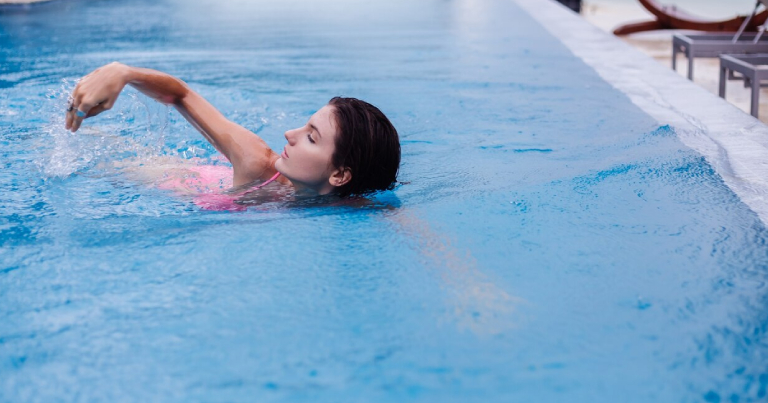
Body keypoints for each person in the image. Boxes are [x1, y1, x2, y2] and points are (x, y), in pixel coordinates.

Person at [65, 62, 401, 208]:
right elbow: (181, 95)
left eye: (311, 138)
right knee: (94, 158)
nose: (289, 134)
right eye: (305, 125)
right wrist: (122, 73)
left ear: (341, 176)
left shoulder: (356, 205)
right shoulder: (257, 162)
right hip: (175, 179)